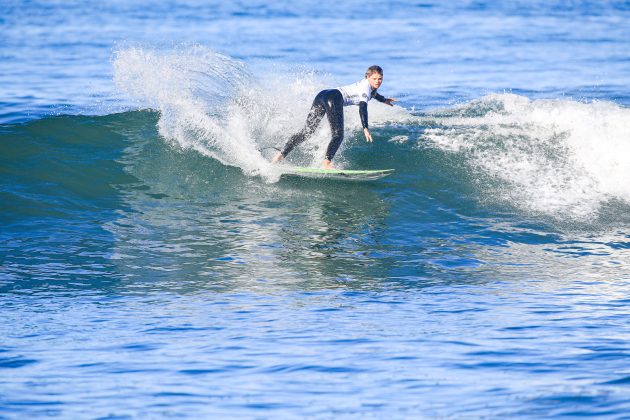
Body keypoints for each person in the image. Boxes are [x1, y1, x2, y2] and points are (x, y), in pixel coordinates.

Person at [272, 65, 396, 169]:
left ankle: (280, 155)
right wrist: (365, 128)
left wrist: (384, 100)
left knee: (307, 131)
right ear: (367, 77)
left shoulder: (368, 86)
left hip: (322, 95)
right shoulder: (365, 88)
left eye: (380, 79)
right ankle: (326, 164)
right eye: (374, 79)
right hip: (334, 99)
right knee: (338, 135)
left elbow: (374, 94)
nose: (378, 81)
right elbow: (362, 107)